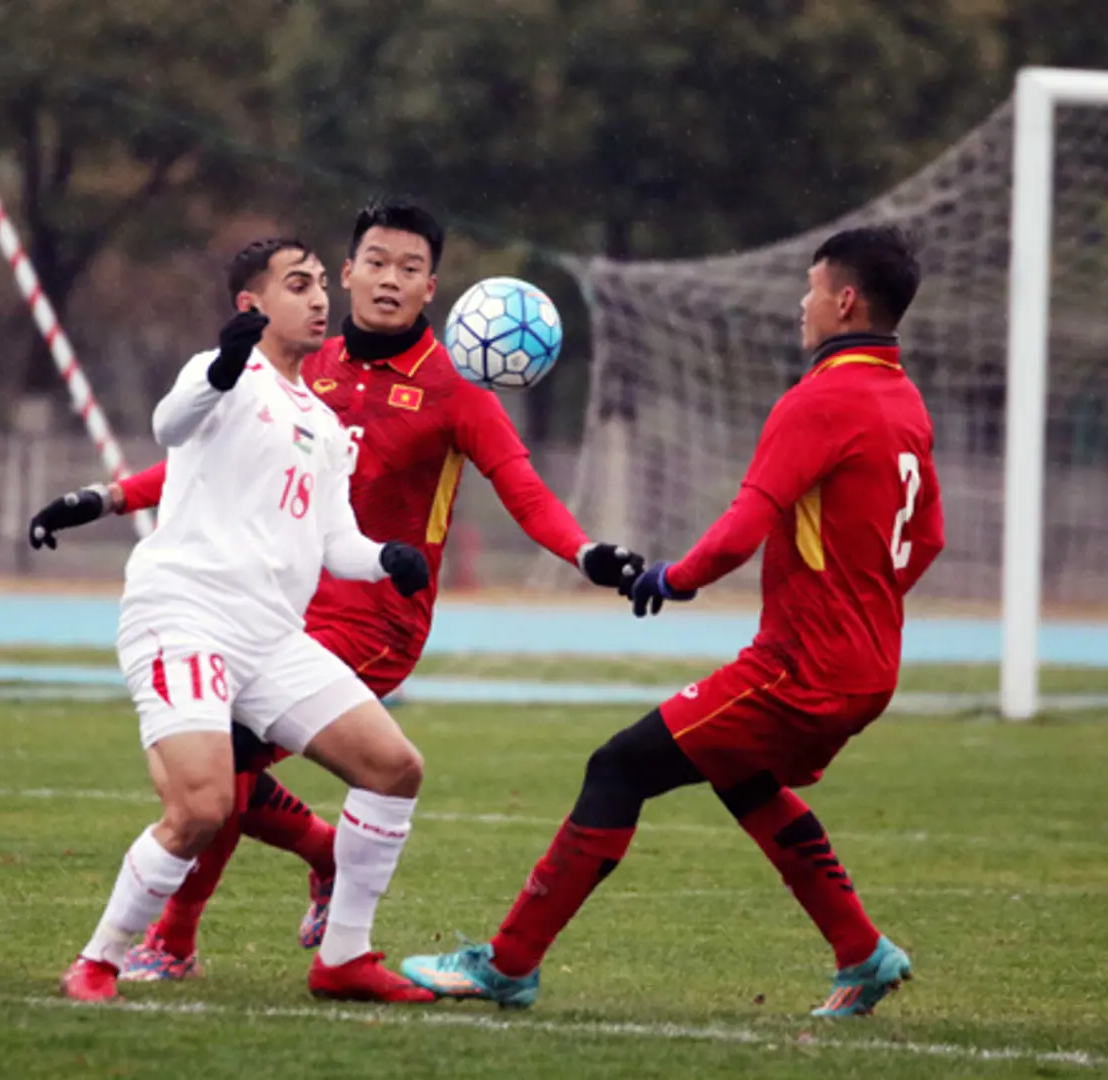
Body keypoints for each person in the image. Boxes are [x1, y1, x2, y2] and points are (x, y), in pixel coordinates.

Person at [32, 197, 644, 984]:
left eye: (411, 268)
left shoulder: (455, 388)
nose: (390, 280)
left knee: (236, 769)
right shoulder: (298, 367)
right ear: (346, 272)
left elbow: (523, 491)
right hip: (280, 610)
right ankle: (311, 866)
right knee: (220, 773)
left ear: (433, 288)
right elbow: (197, 448)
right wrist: (108, 498)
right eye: (376, 263)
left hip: (374, 623)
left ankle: (176, 941)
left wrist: (588, 554)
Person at [399, 225, 946, 1018]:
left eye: (810, 287)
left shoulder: (821, 399)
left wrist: (670, 579)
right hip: (868, 666)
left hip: (801, 666)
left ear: (844, 299)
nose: (802, 303)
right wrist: (860, 603)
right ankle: (861, 950)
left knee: (617, 766)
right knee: (741, 778)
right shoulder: (904, 402)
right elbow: (926, 537)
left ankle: (509, 962)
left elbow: (742, 524)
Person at [60, 236, 440, 1005]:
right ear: (251, 305)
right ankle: (99, 960)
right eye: (295, 284)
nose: (315, 297)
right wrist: (226, 364)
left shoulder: (323, 423)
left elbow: (336, 543)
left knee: (394, 768)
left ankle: (343, 959)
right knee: (202, 808)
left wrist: (385, 560)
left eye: (314, 284)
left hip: (268, 638)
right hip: (185, 615)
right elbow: (171, 424)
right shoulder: (218, 374)